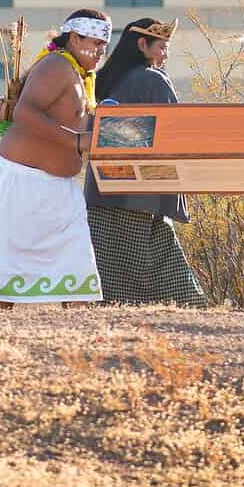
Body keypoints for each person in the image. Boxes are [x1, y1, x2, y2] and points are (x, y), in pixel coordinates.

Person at [0, 9, 110, 306]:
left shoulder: (81, 75)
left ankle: (83, 348)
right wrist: (77, 141)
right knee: (1, 282)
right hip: (22, 186)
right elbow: (24, 112)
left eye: (104, 45)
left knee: (76, 275)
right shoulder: (56, 66)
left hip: (60, 190)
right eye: (95, 42)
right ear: (74, 38)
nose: (100, 51)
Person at [86, 18, 208, 307]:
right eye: (162, 47)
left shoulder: (106, 82)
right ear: (143, 45)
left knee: (112, 285)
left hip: (101, 193)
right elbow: (172, 131)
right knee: (167, 284)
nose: (166, 55)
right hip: (139, 196)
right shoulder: (151, 79)